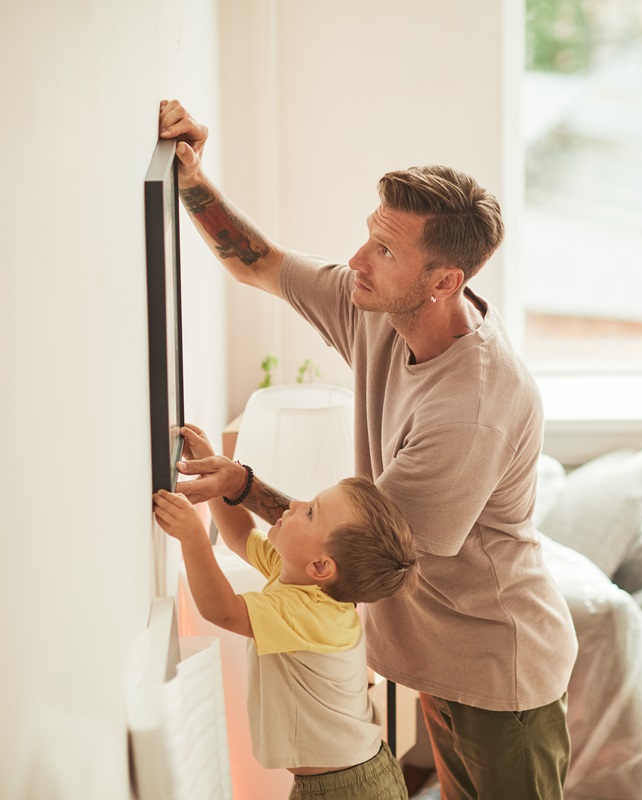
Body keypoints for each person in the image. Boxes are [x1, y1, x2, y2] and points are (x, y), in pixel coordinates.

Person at [159, 100, 578, 800]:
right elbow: (256, 264)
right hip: (439, 657)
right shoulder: (380, 307)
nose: (356, 261)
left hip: (497, 666)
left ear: (446, 281)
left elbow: (351, 547)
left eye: (385, 250)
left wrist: (242, 488)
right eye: (367, 237)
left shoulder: (470, 409)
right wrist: (192, 178)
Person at [153, 424, 416, 800]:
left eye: (310, 513)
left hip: (348, 789)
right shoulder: (299, 576)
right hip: (344, 779)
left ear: (321, 567)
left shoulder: (309, 612)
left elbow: (223, 612)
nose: (292, 505)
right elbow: (241, 537)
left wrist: (194, 538)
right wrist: (219, 481)